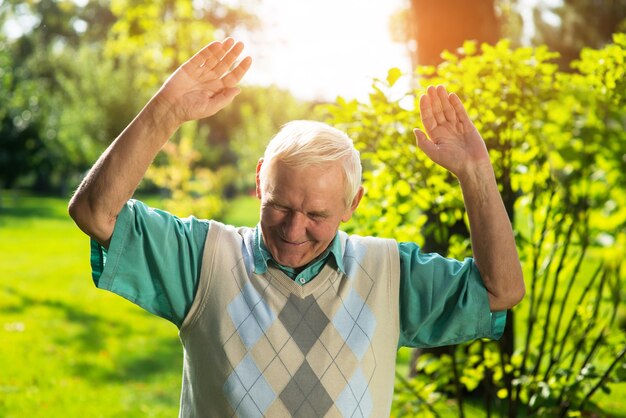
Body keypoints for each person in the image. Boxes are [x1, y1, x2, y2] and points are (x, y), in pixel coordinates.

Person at [69, 38, 525, 417]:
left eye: (317, 216)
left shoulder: (389, 273)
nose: (293, 229)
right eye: (280, 206)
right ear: (258, 182)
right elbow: (94, 213)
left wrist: (475, 172)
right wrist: (166, 109)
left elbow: (500, 291)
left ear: (353, 204)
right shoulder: (203, 257)